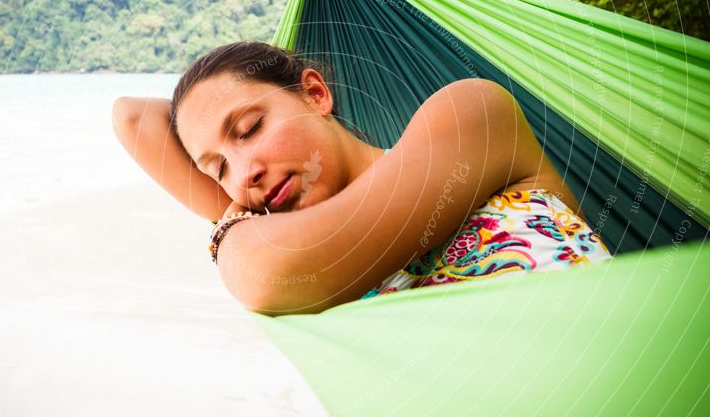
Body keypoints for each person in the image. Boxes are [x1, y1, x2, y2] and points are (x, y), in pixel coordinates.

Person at [112, 41, 611, 316]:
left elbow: (269, 274)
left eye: (250, 128)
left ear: (314, 93)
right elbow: (131, 118)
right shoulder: (278, 227)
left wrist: (231, 225)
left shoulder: (472, 117)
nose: (244, 176)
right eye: (217, 169)